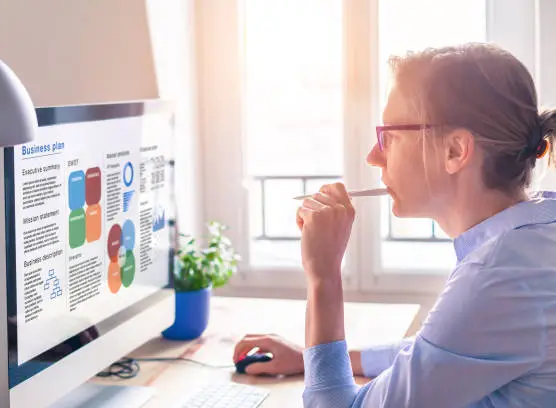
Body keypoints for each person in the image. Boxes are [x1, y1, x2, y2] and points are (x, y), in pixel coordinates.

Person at [233, 43, 556, 407]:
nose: (373, 156)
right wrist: (316, 360)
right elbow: (441, 351)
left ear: (455, 150)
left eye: (389, 136)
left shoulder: (499, 276)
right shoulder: (536, 232)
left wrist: (323, 275)